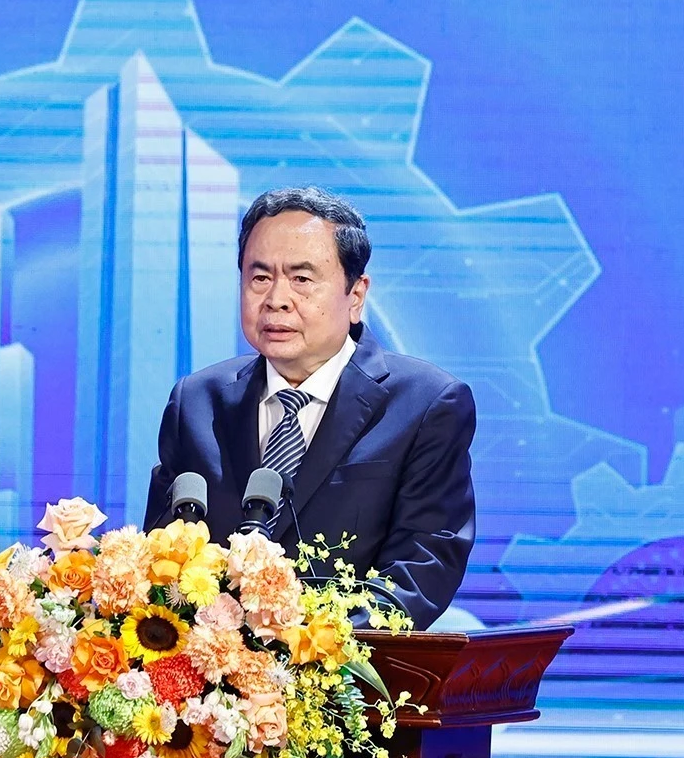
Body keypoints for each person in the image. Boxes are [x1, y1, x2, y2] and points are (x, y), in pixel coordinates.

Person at [143, 186, 476, 630]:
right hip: (213, 685)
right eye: (259, 277)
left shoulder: (426, 404)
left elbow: (423, 567)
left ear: (355, 296)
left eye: (302, 279)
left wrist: (301, 648)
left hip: (343, 682)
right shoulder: (197, 402)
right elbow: (163, 557)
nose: (276, 298)